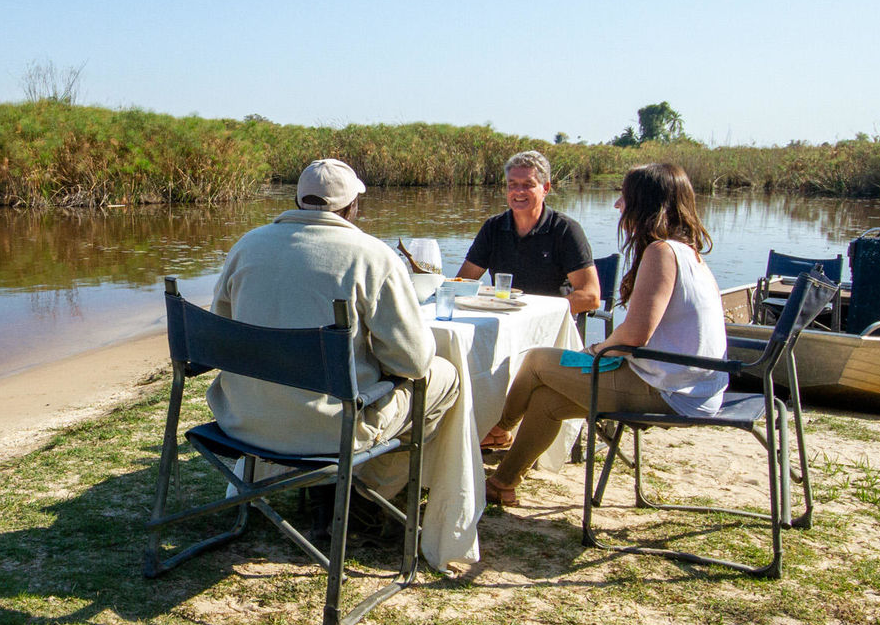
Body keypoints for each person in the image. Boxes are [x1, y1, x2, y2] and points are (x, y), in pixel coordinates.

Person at [208, 159, 460, 498]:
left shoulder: (246, 246)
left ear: (298, 200)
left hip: (240, 419)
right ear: (352, 206)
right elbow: (412, 363)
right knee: (443, 376)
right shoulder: (373, 256)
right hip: (331, 431)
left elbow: (220, 337)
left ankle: (324, 486)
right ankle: (369, 493)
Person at [481, 162, 726, 505]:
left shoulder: (662, 252)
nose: (618, 206)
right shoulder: (688, 252)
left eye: (624, 198)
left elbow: (635, 334)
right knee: (546, 401)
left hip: (673, 390)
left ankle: (495, 430)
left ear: (645, 203)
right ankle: (502, 484)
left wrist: (595, 350)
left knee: (536, 359)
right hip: (687, 382)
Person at [457, 150, 602, 312]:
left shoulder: (566, 229)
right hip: (502, 320)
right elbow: (462, 284)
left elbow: (591, 297)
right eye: (513, 185)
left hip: (551, 325)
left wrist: (532, 312)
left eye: (528, 185)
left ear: (545, 188)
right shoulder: (493, 227)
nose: (519, 191)